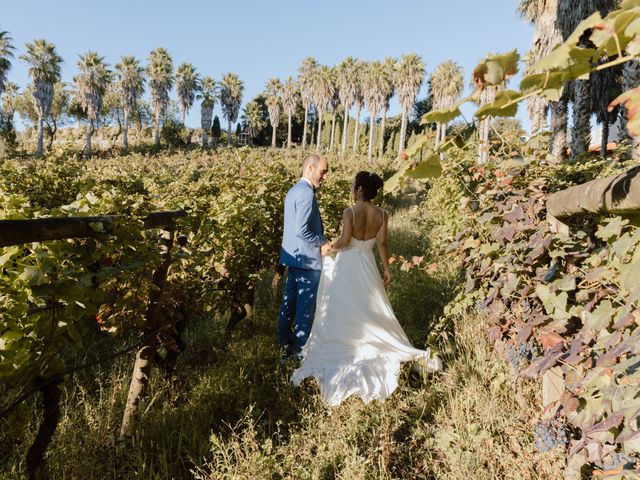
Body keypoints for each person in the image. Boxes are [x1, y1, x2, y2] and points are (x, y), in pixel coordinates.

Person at [291, 171, 441, 406]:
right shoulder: (383, 214)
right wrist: (387, 269)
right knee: (369, 306)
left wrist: (328, 248)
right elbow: (382, 244)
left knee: (342, 307)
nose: (352, 189)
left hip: (348, 264)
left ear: (359, 189)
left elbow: (345, 241)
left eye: (354, 186)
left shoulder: (350, 212)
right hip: (368, 264)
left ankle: (349, 342)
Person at [278, 154, 331, 362]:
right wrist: (322, 241)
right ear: (310, 168)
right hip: (308, 261)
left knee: (288, 306)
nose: (324, 177)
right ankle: (301, 356)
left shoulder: (293, 191)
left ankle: (286, 349)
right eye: (322, 172)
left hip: (293, 258)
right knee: (304, 311)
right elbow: (301, 230)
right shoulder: (307, 193)